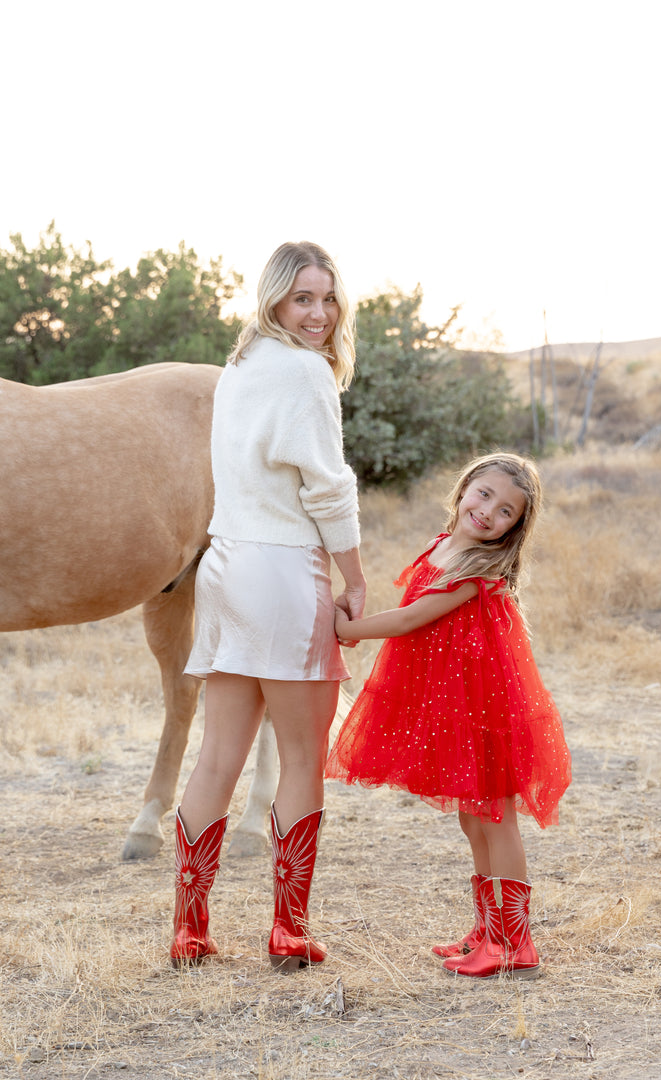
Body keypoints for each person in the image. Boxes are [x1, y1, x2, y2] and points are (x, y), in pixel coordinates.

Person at [171, 241, 366, 973]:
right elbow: (326, 486)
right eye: (302, 300)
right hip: (286, 569)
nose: (318, 314)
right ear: (275, 300)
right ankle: (288, 927)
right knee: (302, 755)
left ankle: (189, 929)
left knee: (217, 752)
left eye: (327, 299)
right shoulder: (305, 372)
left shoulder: (240, 366)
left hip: (224, 565)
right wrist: (354, 576)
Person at [326, 452, 571, 979]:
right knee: (472, 816)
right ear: (464, 489)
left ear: (514, 529)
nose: (488, 512)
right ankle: (489, 928)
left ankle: (514, 942)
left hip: (487, 708)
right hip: (457, 704)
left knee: (495, 816)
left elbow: (413, 618)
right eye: (484, 495)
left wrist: (347, 631)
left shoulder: (477, 568)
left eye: (506, 511)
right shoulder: (443, 546)